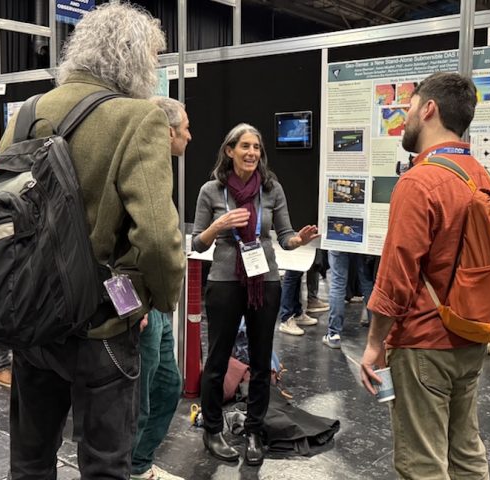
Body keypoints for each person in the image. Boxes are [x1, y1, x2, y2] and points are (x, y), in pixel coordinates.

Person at [0, 2, 185, 478]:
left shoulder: (28, 112)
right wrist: (156, 301)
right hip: (101, 324)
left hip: (33, 320)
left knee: (29, 462)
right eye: (155, 58)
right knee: (104, 464)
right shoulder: (139, 118)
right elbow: (160, 237)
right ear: (136, 56)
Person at [360, 73, 490, 479]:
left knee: (422, 463)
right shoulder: (479, 176)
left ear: (429, 109)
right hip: (470, 335)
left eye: (410, 107)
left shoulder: (419, 181)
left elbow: (397, 275)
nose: (406, 116)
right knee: (465, 450)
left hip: (423, 343)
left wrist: (374, 344)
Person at [192, 123, 319, 466]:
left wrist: (299, 241)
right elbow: (196, 242)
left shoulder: (271, 189)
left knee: (262, 362)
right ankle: (213, 429)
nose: (251, 153)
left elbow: (285, 235)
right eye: (245, 146)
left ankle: (254, 431)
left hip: (265, 279)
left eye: (257, 147)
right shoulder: (211, 191)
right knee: (217, 360)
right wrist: (217, 227)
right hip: (224, 281)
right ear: (229, 150)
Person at [128, 96, 191, 480]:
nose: (189, 133)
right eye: (185, 126)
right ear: (167, 132)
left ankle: (138, 463)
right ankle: (129, 468)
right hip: (142, 306)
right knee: (141, 399)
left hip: (159, 305)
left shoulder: (157, 172)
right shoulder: (139, 171)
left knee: (169, 387)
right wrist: (133, 308)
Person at [322, 252, 375, 348]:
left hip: (338, 240)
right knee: (367, 284)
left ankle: (333, 335)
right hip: (362, 241)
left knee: (338, 283)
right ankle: (376, 333)